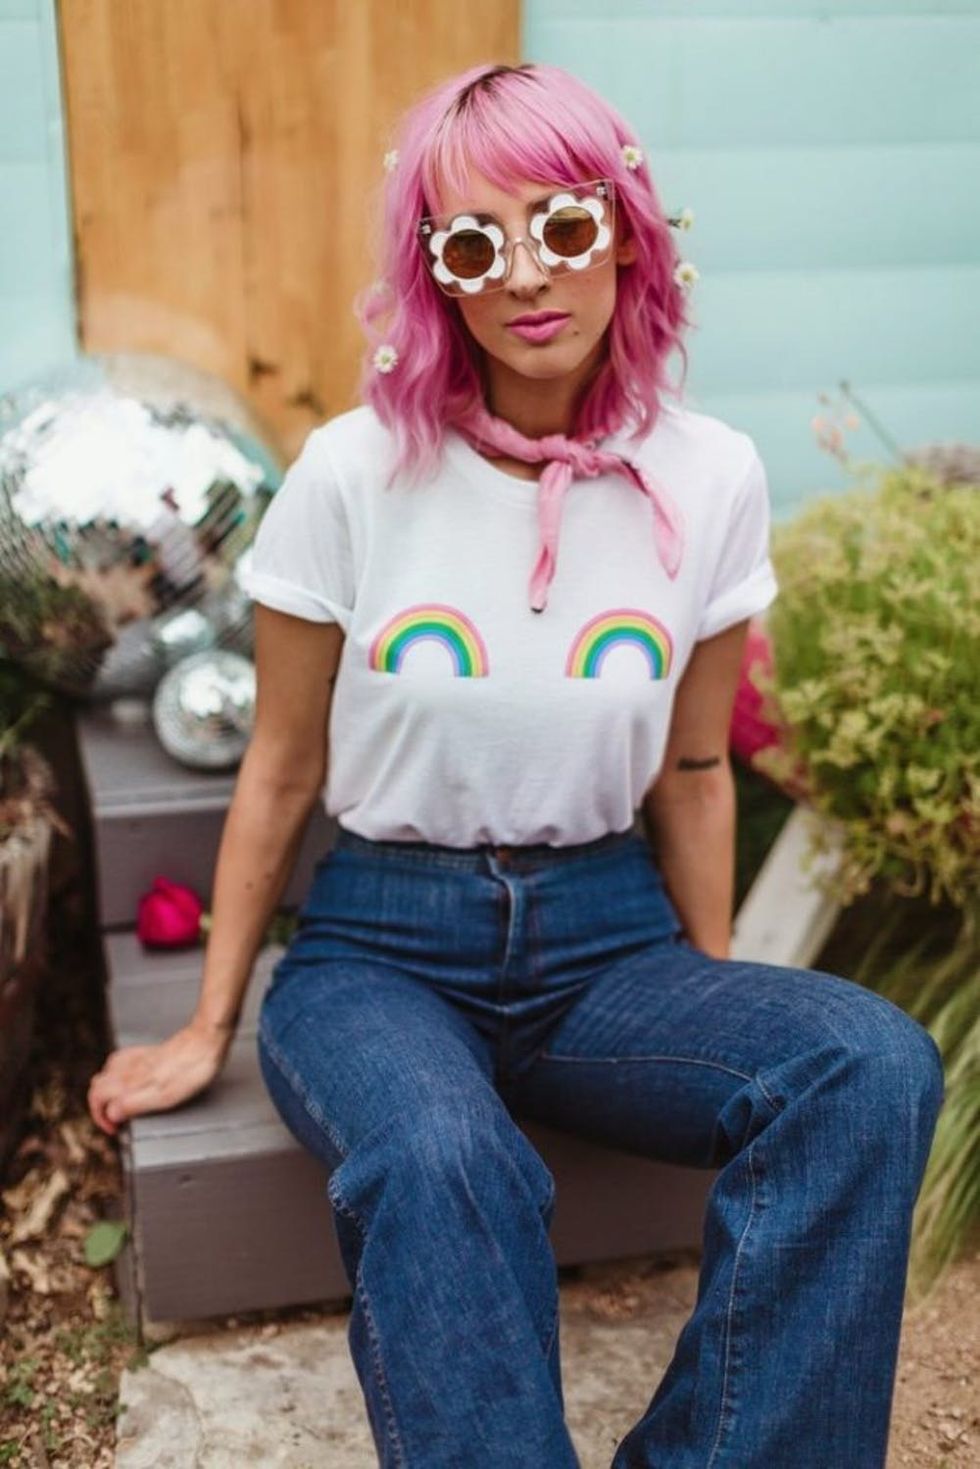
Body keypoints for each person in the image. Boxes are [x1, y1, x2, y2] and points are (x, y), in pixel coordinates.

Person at [87, 61, 945, 1469]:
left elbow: (694, 768)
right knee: (443, 1152)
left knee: (870, 1062)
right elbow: (282, 768)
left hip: (607, 943)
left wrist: (715, 993)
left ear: (626, 233)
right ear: (434, 275)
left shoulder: (711, 474)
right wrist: (206, 1022)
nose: (526, 274)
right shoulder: (354, 474)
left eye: (562, 224)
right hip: (379, 946)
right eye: (474, 243)